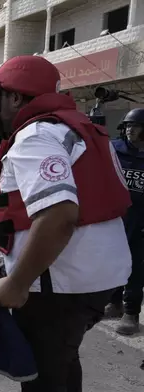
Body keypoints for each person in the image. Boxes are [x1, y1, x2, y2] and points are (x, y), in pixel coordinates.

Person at [0, 56, 132, 391]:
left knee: (43, 376)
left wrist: (17, 283)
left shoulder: (35, 137)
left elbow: (59, 216)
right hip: (98, 278)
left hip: (60, 286)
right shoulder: (78, 131)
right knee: (62, 361)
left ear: (17, 98)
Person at [105, 108, 144, 335]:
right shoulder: (115, 150)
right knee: (112, 262)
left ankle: (131, 312)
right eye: (128, 126)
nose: (131, 130)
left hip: (139, 220)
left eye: (136, 126)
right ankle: (115, 302)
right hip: (117, 216)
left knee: (135, 267)